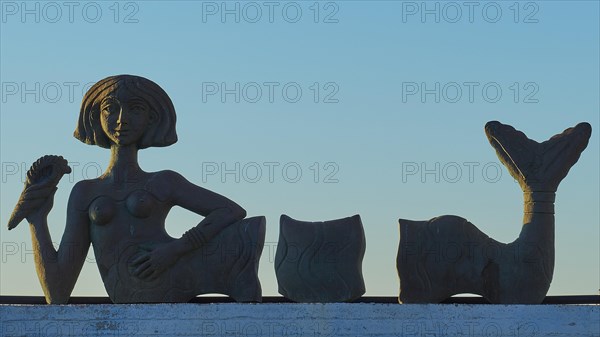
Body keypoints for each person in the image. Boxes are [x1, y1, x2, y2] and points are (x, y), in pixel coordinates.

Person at [13, 75, 265, 303]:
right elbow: (57, 292)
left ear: (151, 118)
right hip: (125, 289)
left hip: (171, 279)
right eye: (111, 108)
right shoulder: (85, 192)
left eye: (135, 109)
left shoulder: (164, 182)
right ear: (96, 117)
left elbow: (230, 211)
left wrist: (174, 250)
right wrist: (37, 220)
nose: (122, 119)